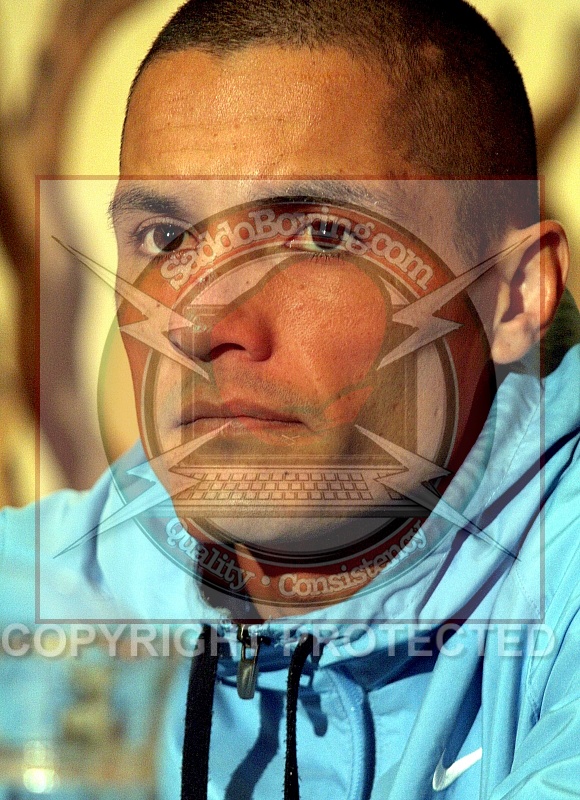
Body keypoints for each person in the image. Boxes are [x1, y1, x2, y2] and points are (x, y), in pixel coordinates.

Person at [2, 1, 580, 799]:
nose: (199, 326)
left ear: (513, 295)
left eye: (321, 237)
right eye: (167, 239)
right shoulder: (40, 593)